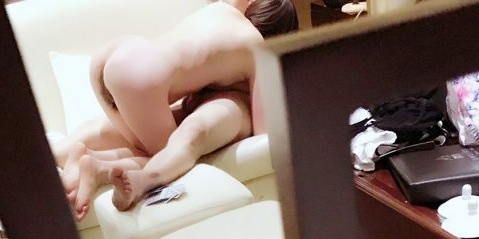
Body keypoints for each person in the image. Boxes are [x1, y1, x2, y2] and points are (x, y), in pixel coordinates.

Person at [55, 0, 298, 218]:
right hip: (141, 78)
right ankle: (98, 169)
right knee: (169, 158)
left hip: (115, 55)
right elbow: (263, 133)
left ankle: (81, 157)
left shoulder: (221, 10)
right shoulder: (257, 46)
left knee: (137, 145)